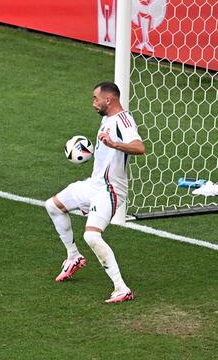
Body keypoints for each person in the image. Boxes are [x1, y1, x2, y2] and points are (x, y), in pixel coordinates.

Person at [45, 82, 146, 304]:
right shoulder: (107, 119)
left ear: (108, 100)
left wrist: (114, 144)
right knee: (53, 205)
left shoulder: (124, 121)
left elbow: (139, 147)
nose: (93, 103)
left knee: (91, 235)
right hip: (94, 185)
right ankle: (73, 256)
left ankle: (121, 288)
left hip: (110, 190)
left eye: (95, 98)